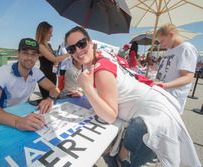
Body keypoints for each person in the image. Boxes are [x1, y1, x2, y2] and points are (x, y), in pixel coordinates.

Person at [64, 26, 200, 167]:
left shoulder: (101, 70)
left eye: (81, 44)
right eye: (71, 49)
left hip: (152, 119)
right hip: (152, 109)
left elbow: (110, 115)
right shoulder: (101, 55)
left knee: (119, 160)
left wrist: (87, 89)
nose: (78, 50)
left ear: (90, 42)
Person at [0, 38, 60, 131]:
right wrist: (17, 121)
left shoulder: (36, 72)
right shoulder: (2, 72)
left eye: (34, 54)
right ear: (18, 54)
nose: (30, 58)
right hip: (2, 119)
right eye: (25, 53)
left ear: (37, 56)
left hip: (24, 114)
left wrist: (50, 99)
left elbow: (54, 89)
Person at [156, 23, 199, 114]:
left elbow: (188, 77)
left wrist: (164, 85)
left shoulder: (186, 48)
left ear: (170, 35)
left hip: (173, 99)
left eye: (162, 41)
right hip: (162, 95)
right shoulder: (168, 51)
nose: (161, 44)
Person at [35, 21, 70, 98]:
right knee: (48, 98)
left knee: (52, 98)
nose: (52, 35)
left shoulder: (49, 45)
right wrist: (68, 54)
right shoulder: (40, 46)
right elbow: (54, 59)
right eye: (50, 33)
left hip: (52, 74)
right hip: (45, 76)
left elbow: (54, 60)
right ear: (43, 32)